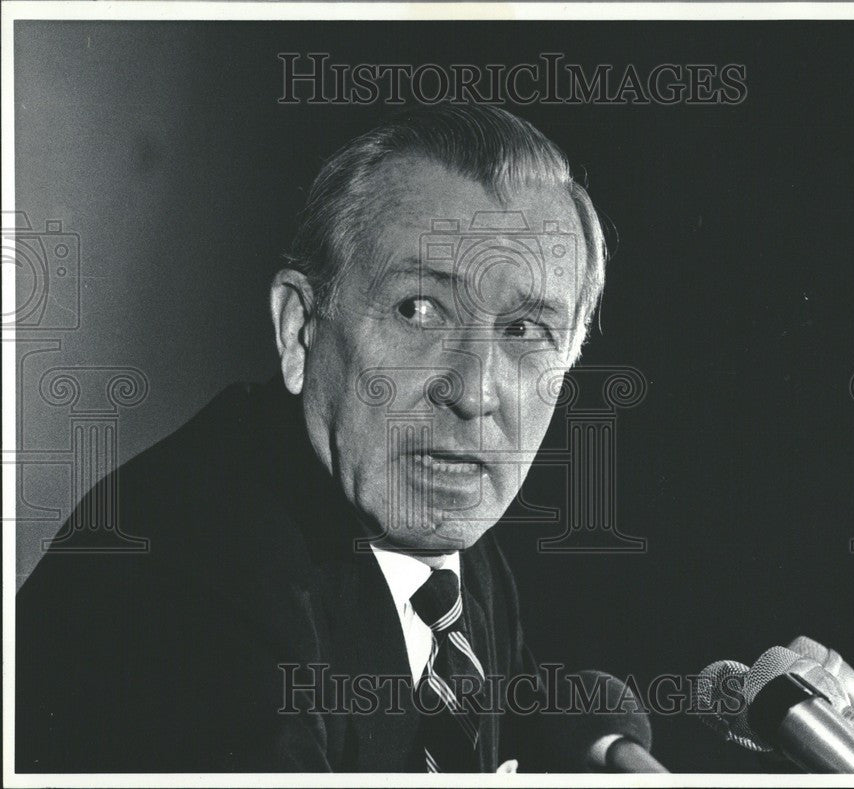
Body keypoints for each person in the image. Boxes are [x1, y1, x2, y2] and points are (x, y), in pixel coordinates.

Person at [16, 105, 608, 772]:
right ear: (300, 328)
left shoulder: (457, 560)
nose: (474, 392)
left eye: (526, 331)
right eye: (420, 309)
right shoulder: (185, 577)